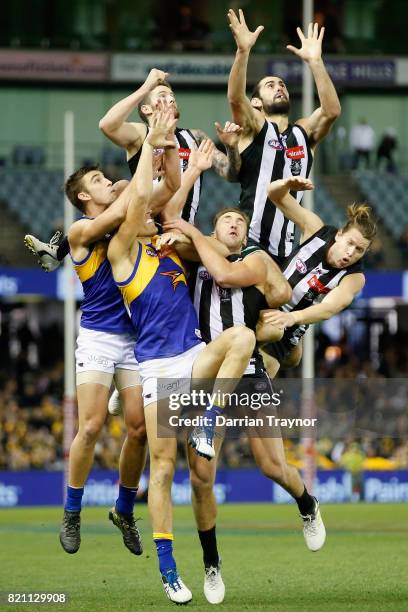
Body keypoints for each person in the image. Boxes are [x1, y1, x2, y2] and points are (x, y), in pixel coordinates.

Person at [106, 110, 256, 605]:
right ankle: (169, 569)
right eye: (144, 206)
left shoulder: (175, 248)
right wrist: (154, 139)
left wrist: (192, 188)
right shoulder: (123, 254)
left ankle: (209, 421)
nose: (151, 210)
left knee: (241, 338)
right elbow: (141, 204)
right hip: (156, 369)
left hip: (192, 356)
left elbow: (203, 236)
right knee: (164, 467)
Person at [162, 208, 325, 604]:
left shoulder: (256, 262)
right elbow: (167, 227)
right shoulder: (192, 257)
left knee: (271, 465)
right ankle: (211, 564)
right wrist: (184, 230)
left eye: (239, 220)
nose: (234, 224)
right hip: (203, 369)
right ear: (214, 229)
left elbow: (278, 294)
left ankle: (307, 504)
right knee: (201, 478)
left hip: (249, 370)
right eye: (226, 220)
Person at [58, 113, 181, 556]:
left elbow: (163, 192)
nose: (108, 179)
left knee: (138, 429)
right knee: (90, 425)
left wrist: (164, 150)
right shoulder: (77, 231)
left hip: (133, 338)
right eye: (98, 179)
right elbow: (116, 215)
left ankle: (124, 509)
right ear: (83, 196)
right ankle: (72, 512)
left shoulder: (124, 207)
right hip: (97, 336)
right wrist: (147, 151)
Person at [24, 68, 242, 271]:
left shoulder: (195, 137)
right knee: (121, 187)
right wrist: (147, 86)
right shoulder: (140, 133)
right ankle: (64, 247)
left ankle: (61, 249)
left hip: (182, 230)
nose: (170, 99)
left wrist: (231, 148)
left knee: (225, 254)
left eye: (172, 95)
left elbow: (231, 174)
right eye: (162, 96)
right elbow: (107, 125)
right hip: (146, 230)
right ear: (146, 108)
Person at [227, 9, 341, 263]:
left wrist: (315, 62)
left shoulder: (303, 132)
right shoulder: (254, 127)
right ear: (256, 102)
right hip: (249, 243)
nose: (279, 87)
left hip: (287, 250)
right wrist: (243, 51)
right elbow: (236, 98)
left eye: (282, 85)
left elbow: (331, 110)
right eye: (271, 85)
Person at [256, 176, 376, 376]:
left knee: (289, 360)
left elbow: (329, 308)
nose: (350, 253)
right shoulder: (316, 230)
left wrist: (292, 318)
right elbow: (274, 194)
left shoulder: (355, 277)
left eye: (359, 250)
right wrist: (285, 184)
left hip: (291, 323)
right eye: (349, 243)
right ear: (339, 234)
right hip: (268, 305)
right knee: (273, 357)